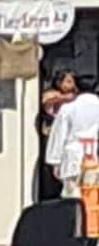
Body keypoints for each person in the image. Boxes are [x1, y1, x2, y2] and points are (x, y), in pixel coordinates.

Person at [42, 73, 84, 205]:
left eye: (72, 81)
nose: (71, 85)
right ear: (59, 83)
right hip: (52, 136)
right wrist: (64, 98)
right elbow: (47, 102)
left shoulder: (79, 100)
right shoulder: (51, 95)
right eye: (68, 81)